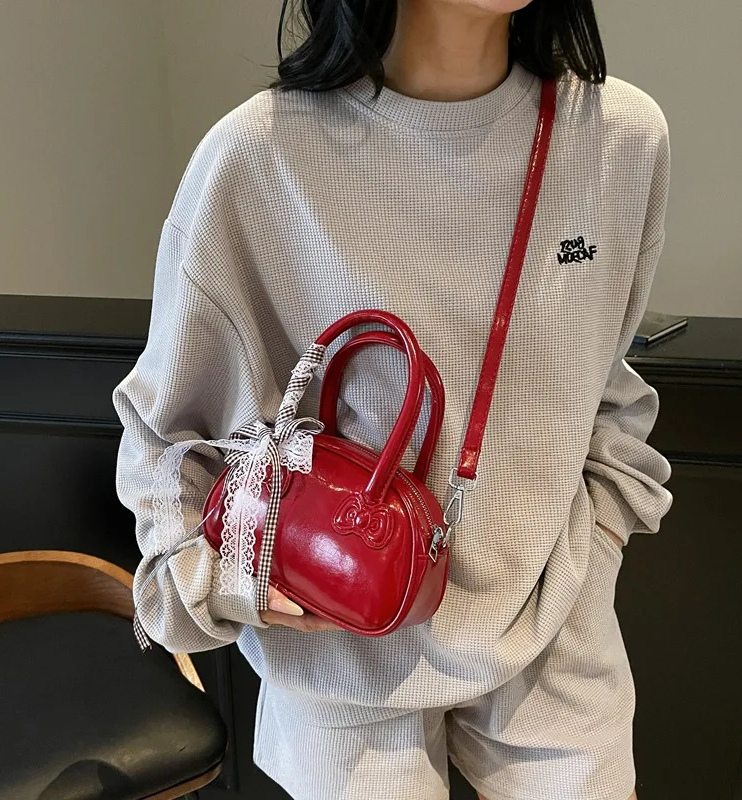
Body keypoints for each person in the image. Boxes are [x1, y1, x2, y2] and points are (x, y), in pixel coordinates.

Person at [113, 1, 673, 798]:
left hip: (554, 631)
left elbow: (608, 385)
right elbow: (164, 435)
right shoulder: (259, 155)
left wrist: (602, 541)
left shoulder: (620, 137)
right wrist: (226, 582)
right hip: (337, 639)